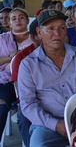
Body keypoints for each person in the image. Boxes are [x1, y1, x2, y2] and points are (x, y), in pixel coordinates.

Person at [18, 9, 76, 147]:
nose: (57, 33)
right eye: (50, 29)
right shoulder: (28, 64)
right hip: (47, 125)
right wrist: (55, 125)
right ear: (39, 32)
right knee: (39, 144)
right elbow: (28, 104)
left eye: (62, 28)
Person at [0, 8, 33, 142]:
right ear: (9, 23)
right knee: (1, 105)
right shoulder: (2, 39)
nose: (18, 20)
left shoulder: (36, 39)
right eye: (14, 18)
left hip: (28, 82)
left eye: (21, 17)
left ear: (27, 21)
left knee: (23, 113)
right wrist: (9, 58)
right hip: (5, 80)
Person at [10, 19, 41, 147]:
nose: (54, 35)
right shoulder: (22, 57)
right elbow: (21, 91)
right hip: (32, 98)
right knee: (24, 117)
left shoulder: (70, 53)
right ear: (33, 37)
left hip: (60, 98)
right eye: (47, 31)